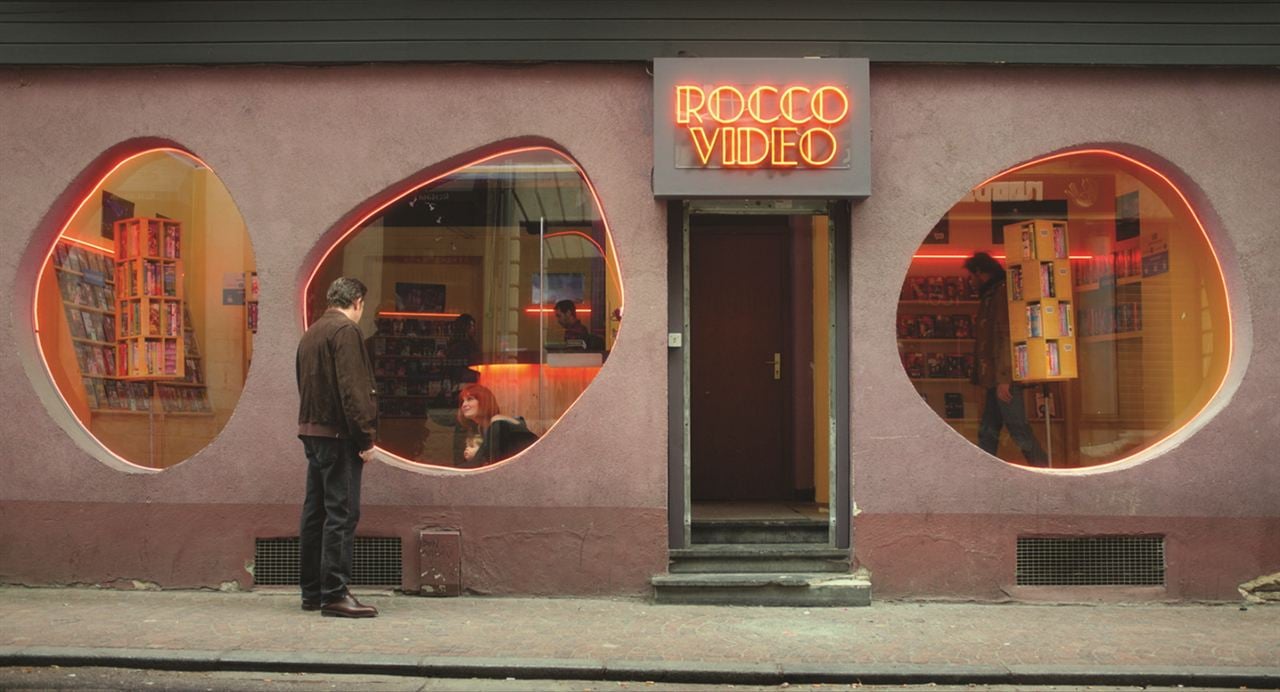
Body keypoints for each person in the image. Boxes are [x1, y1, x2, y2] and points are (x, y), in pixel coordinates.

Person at [296, 277, 380, 618]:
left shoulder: (312, 332)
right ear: (357, 301)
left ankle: (312, 592)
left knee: (315, 513)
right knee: (342, 512)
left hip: (313, 430)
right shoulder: (345, 332)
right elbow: (353, 390)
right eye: (364, 305)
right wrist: (366, 439)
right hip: (338, 435)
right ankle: (335, 593)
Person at [964, 252, 1049, 467]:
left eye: (971, 276)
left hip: (1002, 378)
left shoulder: (1000, 295)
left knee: (1016, 426)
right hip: (997, 377)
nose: (969, 281)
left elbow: (1005, 336)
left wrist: (1004, 378)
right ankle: (986, 470)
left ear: (980, 273)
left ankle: (1042, 468)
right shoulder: (994, 294)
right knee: (989, 429)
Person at [455, 384, 538, 467]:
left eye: (470, 399)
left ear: (484, 401)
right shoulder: (483, 428)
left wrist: (478, 455)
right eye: (463, 401)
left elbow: (487, 463)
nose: (464, 405)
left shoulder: (499, 423)